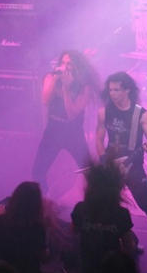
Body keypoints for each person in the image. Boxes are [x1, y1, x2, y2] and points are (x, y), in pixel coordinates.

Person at [95, 71, 147, 257]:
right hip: (111, 164)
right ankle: (129, 241)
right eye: (110, 90)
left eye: (116, 90)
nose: (112, 94)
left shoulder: (140, 114)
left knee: (146, 203)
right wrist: (103, 159)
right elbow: (98, 139)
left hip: (133, 164)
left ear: (127, 90)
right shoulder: (104, 111)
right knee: (107, 205)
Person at [70, 164, 137, 273]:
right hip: (112, 269)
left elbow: (73, 230)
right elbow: (129, 246)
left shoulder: (81, 208)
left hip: (87, 265)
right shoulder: (121, 213)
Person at [32, 50, 100, 194]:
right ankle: (44, 202)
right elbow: (45, 101)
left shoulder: (84, 86)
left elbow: (72, 115)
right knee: (37, 172)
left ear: (76, 66)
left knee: (89, 172)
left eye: (69, 63)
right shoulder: (50, 78)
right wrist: (56, 80)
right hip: (53, 132)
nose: (64, 66)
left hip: (73, 134)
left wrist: (67, 90)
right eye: (63, 63)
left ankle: (96, 202)